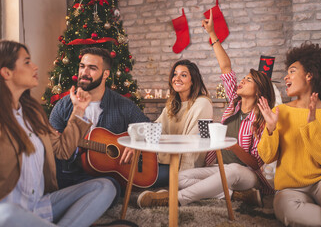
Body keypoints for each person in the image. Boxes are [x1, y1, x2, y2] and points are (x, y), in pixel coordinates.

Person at [137, 10, 275, 208]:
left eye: (249, 79)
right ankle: (235, 196)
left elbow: (256, 164)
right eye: (243, 78)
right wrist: (212, 33)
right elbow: (226, 67)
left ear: (259, 90)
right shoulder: (233, 104)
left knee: (232, 171)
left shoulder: (260, 119)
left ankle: (174, 199)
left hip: (245, 173)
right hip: (216, 166)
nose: (242, 80)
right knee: (181, 176)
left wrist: (231, 145)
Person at [0, 40, 116, 227]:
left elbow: (62, 150)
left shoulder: (33, 113)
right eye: (27, 62)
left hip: (40, 205)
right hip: (9, 213)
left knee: (105, 186)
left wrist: (78, 110)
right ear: (6, 72)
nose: (35, 66)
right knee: (6, 213)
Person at [257, 42, 321, 226]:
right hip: (289, 187)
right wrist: (270, 129)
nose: (286, 76)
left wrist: (312, 125)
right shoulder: (280, 111)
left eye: (292, 71)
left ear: (309, 75)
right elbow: (266, 156)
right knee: (288, 212)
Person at [49, 47, 150, 200]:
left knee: (112, 186)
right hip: (68, 174)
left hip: (105, 176)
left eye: (92, 68)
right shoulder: (63, 106)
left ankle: (75, 197)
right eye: (82, 66)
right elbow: (53, 149)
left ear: (106, 74)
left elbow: (149, 127)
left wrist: (135, 144)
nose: (84, 72)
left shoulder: (122, 105)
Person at [148, 59, 213, 188]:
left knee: (142, 180)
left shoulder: (202, 104)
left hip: (182, 167)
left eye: (183, 75)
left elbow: (194, 144)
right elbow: (156, 128)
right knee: (130, 173)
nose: (177, 78)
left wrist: (183, 177)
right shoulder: (172, 104)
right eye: (175, 74)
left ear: (193, 81)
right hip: (164, 161)